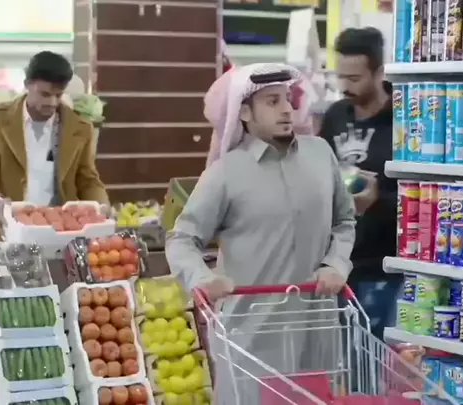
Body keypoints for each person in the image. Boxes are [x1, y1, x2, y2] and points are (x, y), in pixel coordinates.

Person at [166, 63, 356, 403]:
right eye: (272, 101)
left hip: (318, 332)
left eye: (287, 98)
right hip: (251, 338)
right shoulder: (225, 173)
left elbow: (344, 220)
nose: (286, 109)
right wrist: (201, 279)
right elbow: (182, 239)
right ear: (244, 112)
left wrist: (336, 264)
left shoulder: (320, 154)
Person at [0, 51, 108, 241]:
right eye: (44, 94)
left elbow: (88, 181)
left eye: (58, 95)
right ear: (27, 84)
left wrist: (102, 205)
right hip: (10, 232)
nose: (52, 103)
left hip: (61, 233)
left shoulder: (80, 128)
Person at [317, 27, 400, 339]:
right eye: (341, 77)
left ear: (379, 72)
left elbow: (427, 194)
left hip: (388, 264)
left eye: (354, 78)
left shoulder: (403, 118)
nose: (345, 87)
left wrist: (379, 199)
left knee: (380, 356)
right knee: (345, 356)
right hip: (341, 262)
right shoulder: (336, 115)